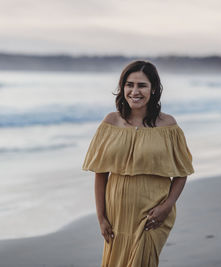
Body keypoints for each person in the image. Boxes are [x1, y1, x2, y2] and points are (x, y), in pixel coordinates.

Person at [82, 60, 194, 267]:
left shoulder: (168, 125)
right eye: (129, 85)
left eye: (142, 85)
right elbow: (100, 173)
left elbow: (182, 173)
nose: (135, 91)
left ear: (153, 90)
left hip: (153, 214)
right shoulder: (110, 123)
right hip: (117, 215)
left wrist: (166, 207)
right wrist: (101, 217)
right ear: (122, 88)